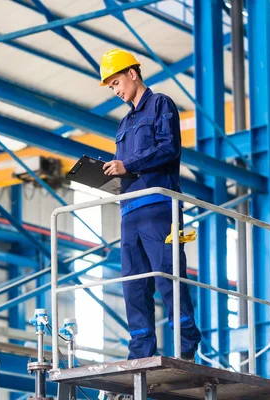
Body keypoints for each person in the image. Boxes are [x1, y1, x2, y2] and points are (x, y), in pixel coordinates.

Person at [99, 49, 201, 363]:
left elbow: (168, 149)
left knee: (168, 277)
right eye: (111, 87)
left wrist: (127, 164)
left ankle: (185, 345)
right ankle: (140, 351)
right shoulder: (123, 124)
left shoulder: (160, 104)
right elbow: (126, 167)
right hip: (129, 211)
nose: (115, 91)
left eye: (116, 82)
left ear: (133, 73)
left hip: (159, 207)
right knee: (133, 285)